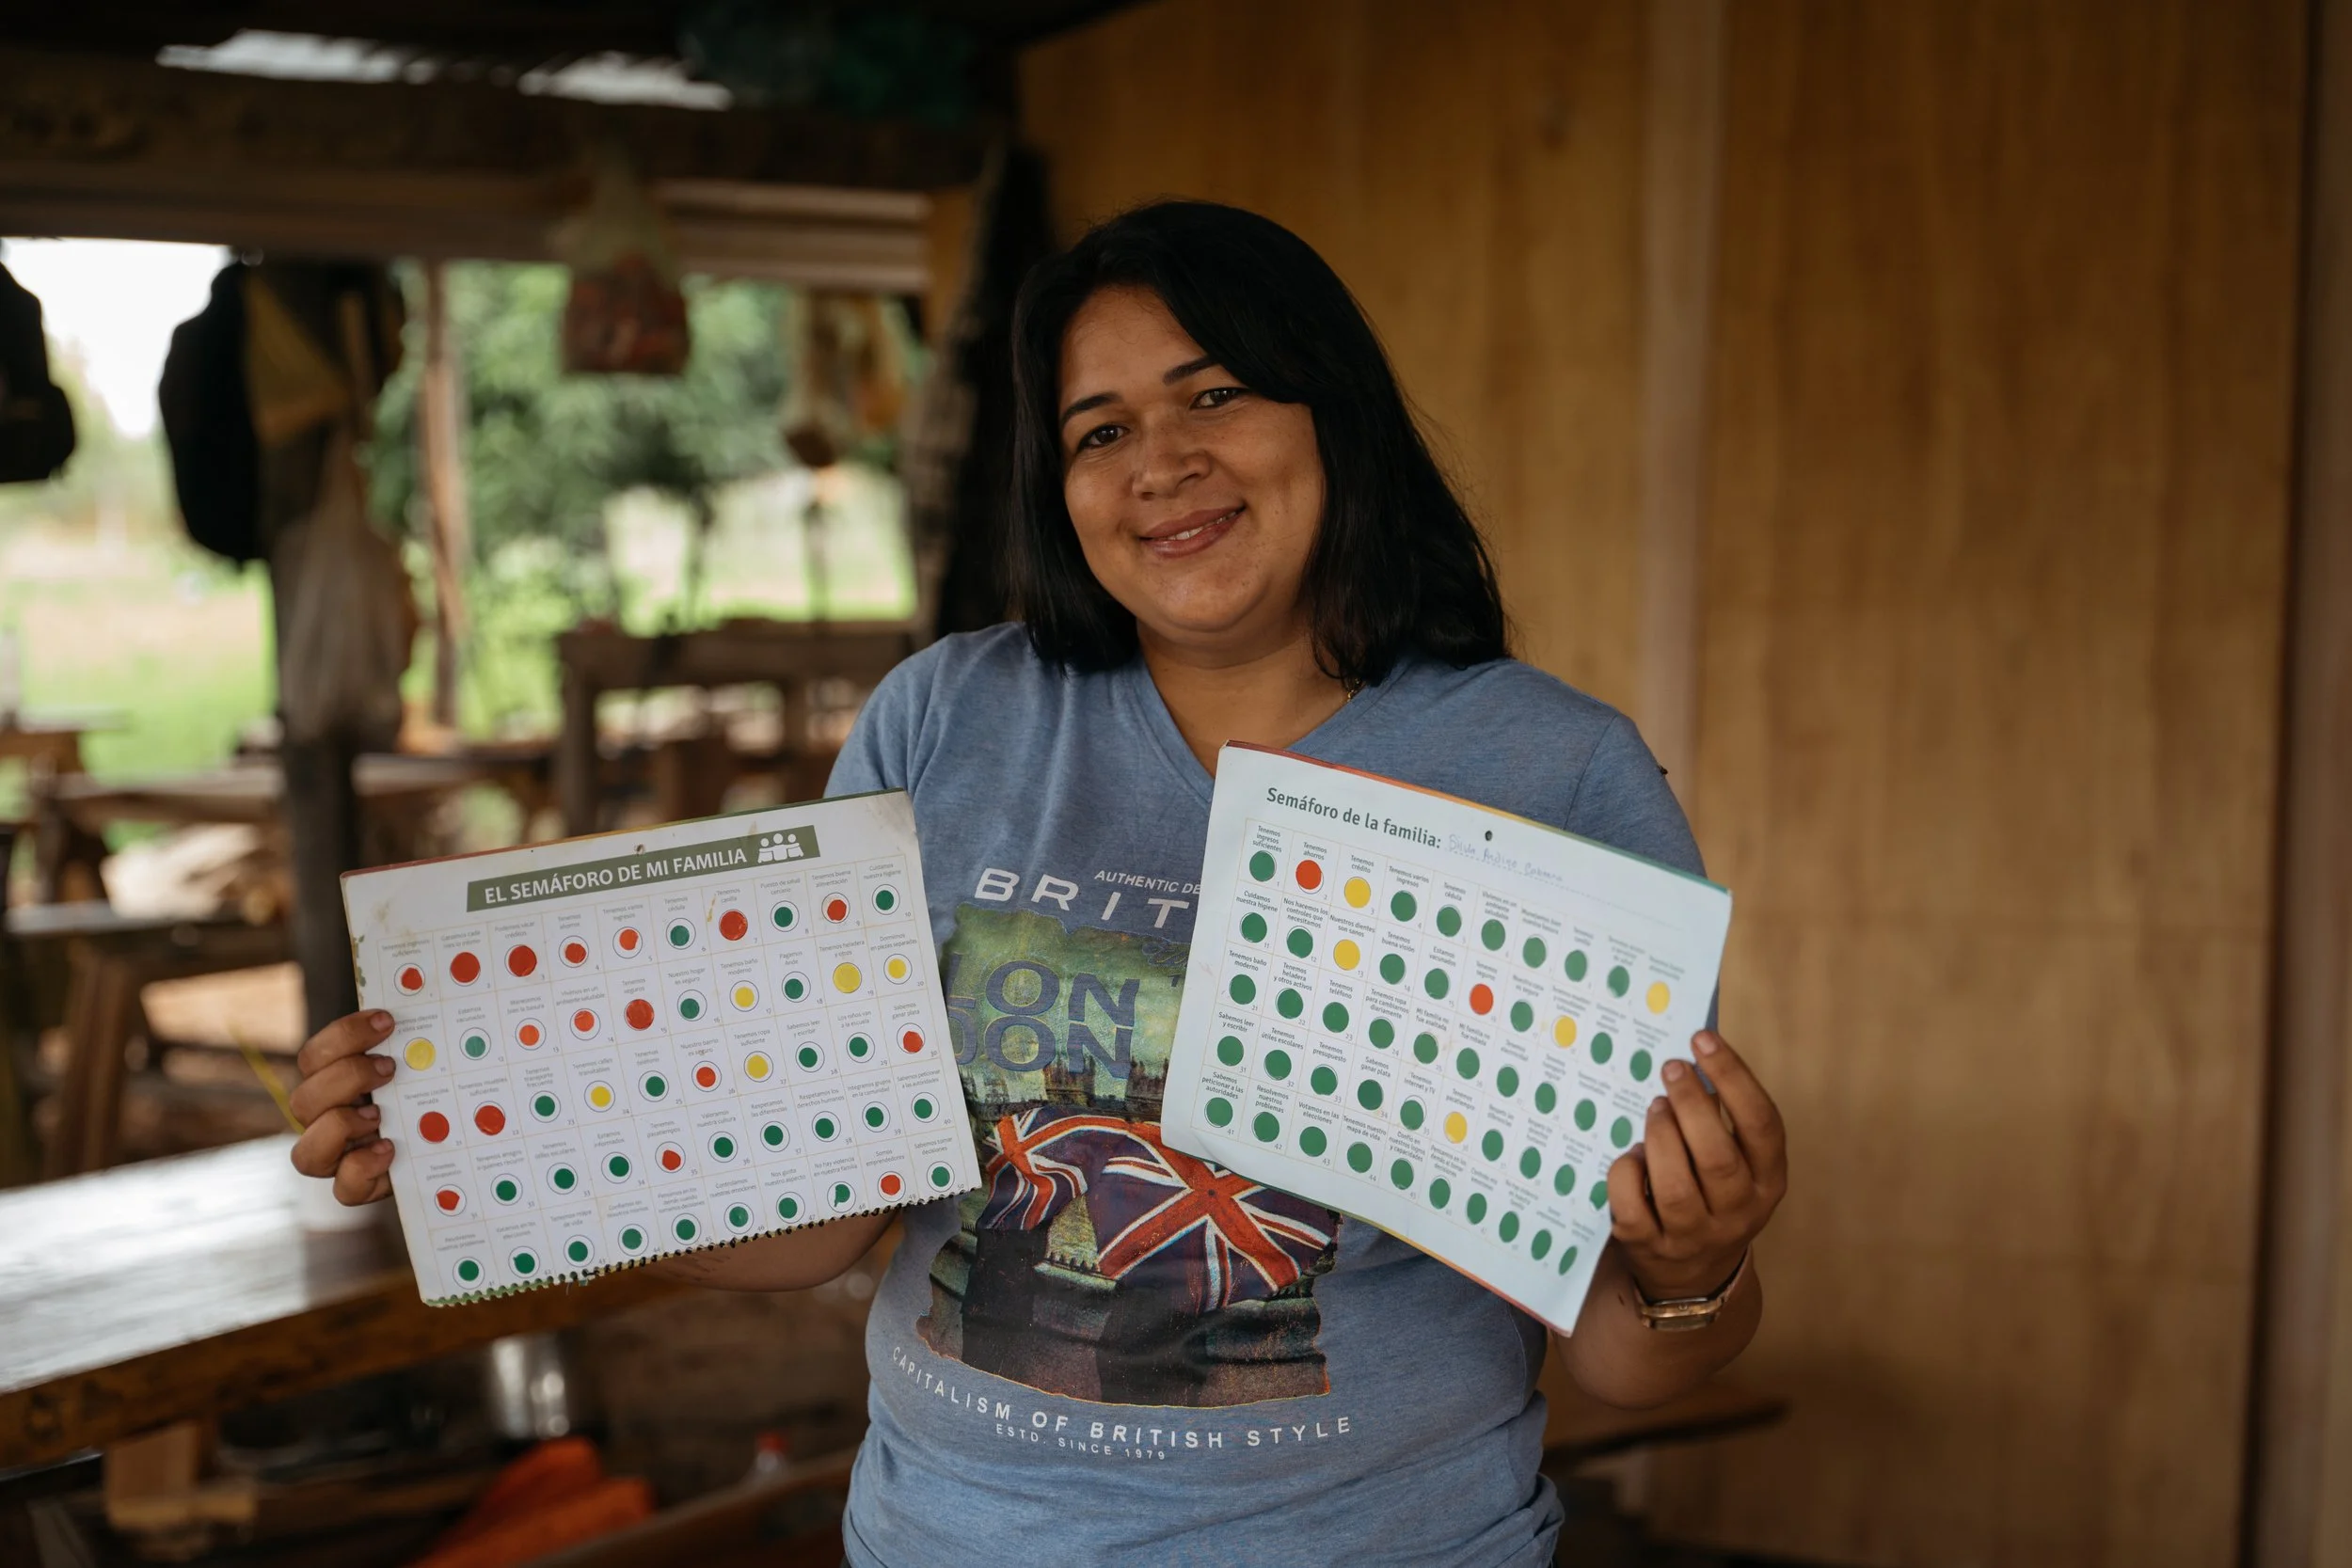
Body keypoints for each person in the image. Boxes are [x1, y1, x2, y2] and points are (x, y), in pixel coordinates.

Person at [291, 200, 1787, 1566]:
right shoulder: (946, 721)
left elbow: (1623, 1345)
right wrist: (466, 1117)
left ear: (1333, 414)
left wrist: (1695, 1260)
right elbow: (817, 1212)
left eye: (1215, 394)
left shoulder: (1552, 776)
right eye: (1098, 429)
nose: (1161, 465)